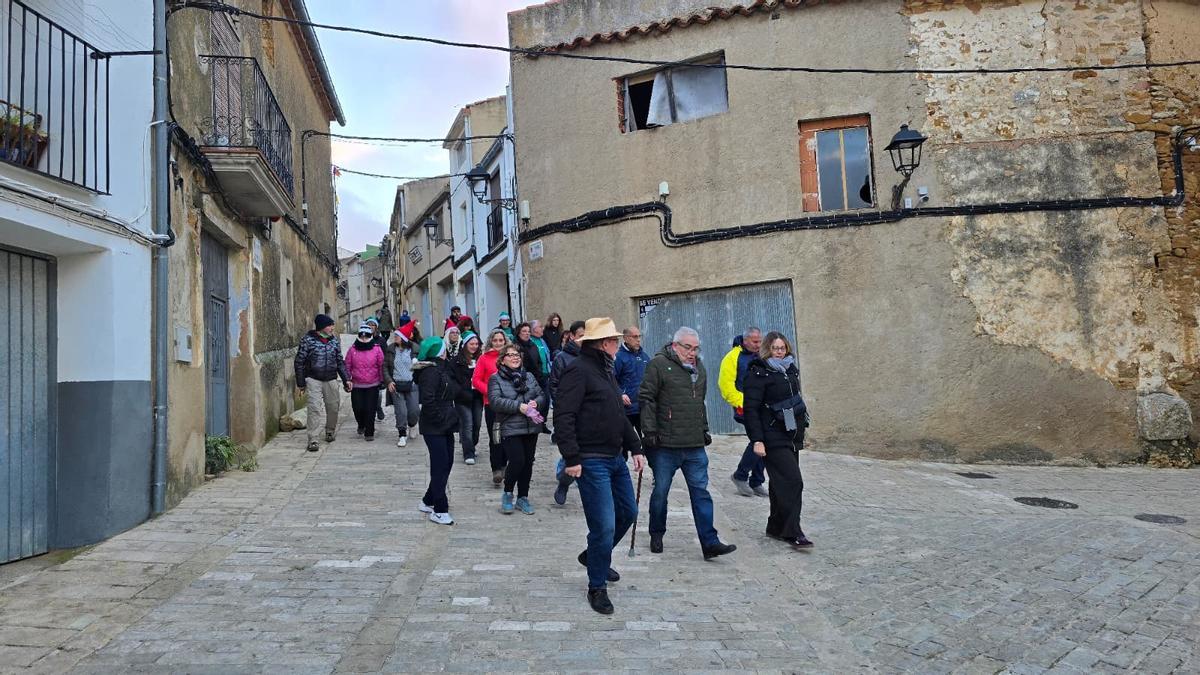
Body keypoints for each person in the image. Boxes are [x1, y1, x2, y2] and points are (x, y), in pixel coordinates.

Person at [554, 317, 645, 615]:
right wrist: (571, 458)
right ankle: (597, 585)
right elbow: (564, 416)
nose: (618, 344)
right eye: (615, 340)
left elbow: (619, 414)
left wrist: (635, 448)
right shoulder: (577, 371)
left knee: (628, 512)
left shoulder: (606, 370)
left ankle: (594, 555)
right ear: (603, 344)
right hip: (590, 460)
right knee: (603, 525)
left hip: (615, 457)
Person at [639, 327, 737, 560]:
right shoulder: (658, 365)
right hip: (665, 445)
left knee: (701, 493)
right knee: (661, 491)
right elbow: (646, 398)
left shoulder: (699, 368)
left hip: (694, 444)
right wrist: (649, 431)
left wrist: (704, 429)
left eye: (695, 348)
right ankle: (656, 532)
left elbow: (699, 402)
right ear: (675, 346)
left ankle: (710, 542)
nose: (692, 352)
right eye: (688, 347)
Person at [743, 331, 813, 549]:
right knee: (793, 482)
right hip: (771, 435)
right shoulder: (759, 373)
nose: (780, 352)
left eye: (783, 348)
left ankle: (775, 527)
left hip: (791, 433)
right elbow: (751, 410)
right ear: (767, 349)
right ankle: (794, 531)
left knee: (779, 483)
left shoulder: (790, 370)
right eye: (775, 348)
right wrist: (757, 440)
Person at [489, 345, 548, 515]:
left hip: (531, 425)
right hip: (510, 426)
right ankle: (508, 493)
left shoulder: (528, 376)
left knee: (528, 462)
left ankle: (523, 497)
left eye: (517, 355)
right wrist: (519, 407)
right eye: (511, 355)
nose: (515, 358)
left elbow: (541, 394)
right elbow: (495, 401)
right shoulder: (496, 378)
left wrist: (536, 403)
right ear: (502, 359)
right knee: (517, 461)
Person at [415, 336, 460, 525]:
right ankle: (440, 509)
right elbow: (428, 400)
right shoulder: (431, 372)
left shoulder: (441, 368)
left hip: (445, 425)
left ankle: (428, 499)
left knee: (448, 462)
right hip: (435, 426)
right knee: (440, 466)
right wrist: (440, 419)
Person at [721, 327, 767, 498]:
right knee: (758, 439)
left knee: (763, 441)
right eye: (755, 341)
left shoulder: (761, 355)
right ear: (745, 340)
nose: (758, 344)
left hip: (763, 407)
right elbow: (726, 387)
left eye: (760, 341)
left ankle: (756, 481)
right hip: (745, 407)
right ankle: (740, 476)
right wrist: (744, 402)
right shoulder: (732, 357)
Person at [294, 314, 351, 452]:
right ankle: (313, 439)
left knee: (333, 407)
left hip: (331, 378)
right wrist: (301, 383)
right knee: (314, 408)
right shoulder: (308, 340)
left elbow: (339, 361)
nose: (332, 327)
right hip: (313, 379)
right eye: (330, 325)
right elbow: (299, 362)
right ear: (321, 327)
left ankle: (330, 431)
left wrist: (346, 379)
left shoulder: (334, 341)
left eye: (332, 325)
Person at [549, 320, 585, 506]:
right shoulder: (562, 358)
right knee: (572, 453)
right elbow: (554, 385)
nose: (583, 340)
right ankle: (564, 482)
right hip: (571, 413)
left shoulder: (594, 356)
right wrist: (564, 407)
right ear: (571, 336)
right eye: (580, 336)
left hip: (590, 413)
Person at [473, 329, 511, 486]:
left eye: (501, 340)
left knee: (509, 436)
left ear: (505, 342)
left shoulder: (511, 357)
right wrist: (490, 391)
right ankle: (496, 468)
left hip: (509, 404)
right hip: (492, 405)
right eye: (495, 340)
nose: (498, 343)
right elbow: (476, 380)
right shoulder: (484, 359)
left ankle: (505, 465)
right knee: (495, 437)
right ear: (491, 342)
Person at [345, 323, 386, 441]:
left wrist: (382, 380)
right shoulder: (352, 349)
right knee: (358, 408)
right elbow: (347, 365)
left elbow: (381, 365)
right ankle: (361, 424)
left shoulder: (377, 349)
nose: (364, 338)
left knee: (370, 409)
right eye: (362, 336)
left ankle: (369, 432)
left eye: (366, 336)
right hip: (357, 384)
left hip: (372, 384)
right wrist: (347, 379)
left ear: (370, 336)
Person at [384, 322, 420, 447]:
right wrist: (389, 381)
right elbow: (385, 367)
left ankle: (412, 424)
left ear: (404, 338)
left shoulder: (415, 349)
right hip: (396, 385)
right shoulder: (390, 349)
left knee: (414, 411)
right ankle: (402, 434)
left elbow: (421, 365)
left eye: (397, 336)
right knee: (401, 412)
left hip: (412, 385)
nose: (395, 338)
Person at [451, 332, 484, 464]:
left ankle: (472, 444)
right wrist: (460, 392)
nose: (474, 346)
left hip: (477, 397)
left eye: (476, 344)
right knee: (467, 425)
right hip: (462, 398)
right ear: (465, 345)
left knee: (477, 424)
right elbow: (452, 380)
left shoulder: (481, 359)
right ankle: (468, 452)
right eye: (471, 344)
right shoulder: (456, 361)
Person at [614, 326, 651, 435]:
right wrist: (620, 394)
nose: (638, 339)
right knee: (625, 443)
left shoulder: (645, 357)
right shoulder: (618, 357)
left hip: (643, 408)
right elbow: (611, 379)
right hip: (626, 409)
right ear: (625, 338)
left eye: (639, 336)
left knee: (646, 442)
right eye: (635, 337)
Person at [365, 316, 388, 422]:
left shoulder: (381, 340)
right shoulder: (362, 338)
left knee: (377, 394)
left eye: (373, 325)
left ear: (376, 327)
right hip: (365, 371)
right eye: (369, 325)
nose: (371, 327)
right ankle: (370, 411)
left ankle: (378, 408)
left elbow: (386, 355)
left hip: (378, 370)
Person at [514, 322, 547, 390]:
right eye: (524, 331)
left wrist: (540, 373)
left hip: (538, 379)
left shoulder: (533, 345)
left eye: (529, 331)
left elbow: (539, 361)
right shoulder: (514, 347)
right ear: (518, 333)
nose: (527, 333)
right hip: (523, 381)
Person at [530, 320, 552, 387]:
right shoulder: (530, 341)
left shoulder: (542, 340)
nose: (543, 329)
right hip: (536, 376)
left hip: (546, 374)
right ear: (534, 329)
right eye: (540, 327)